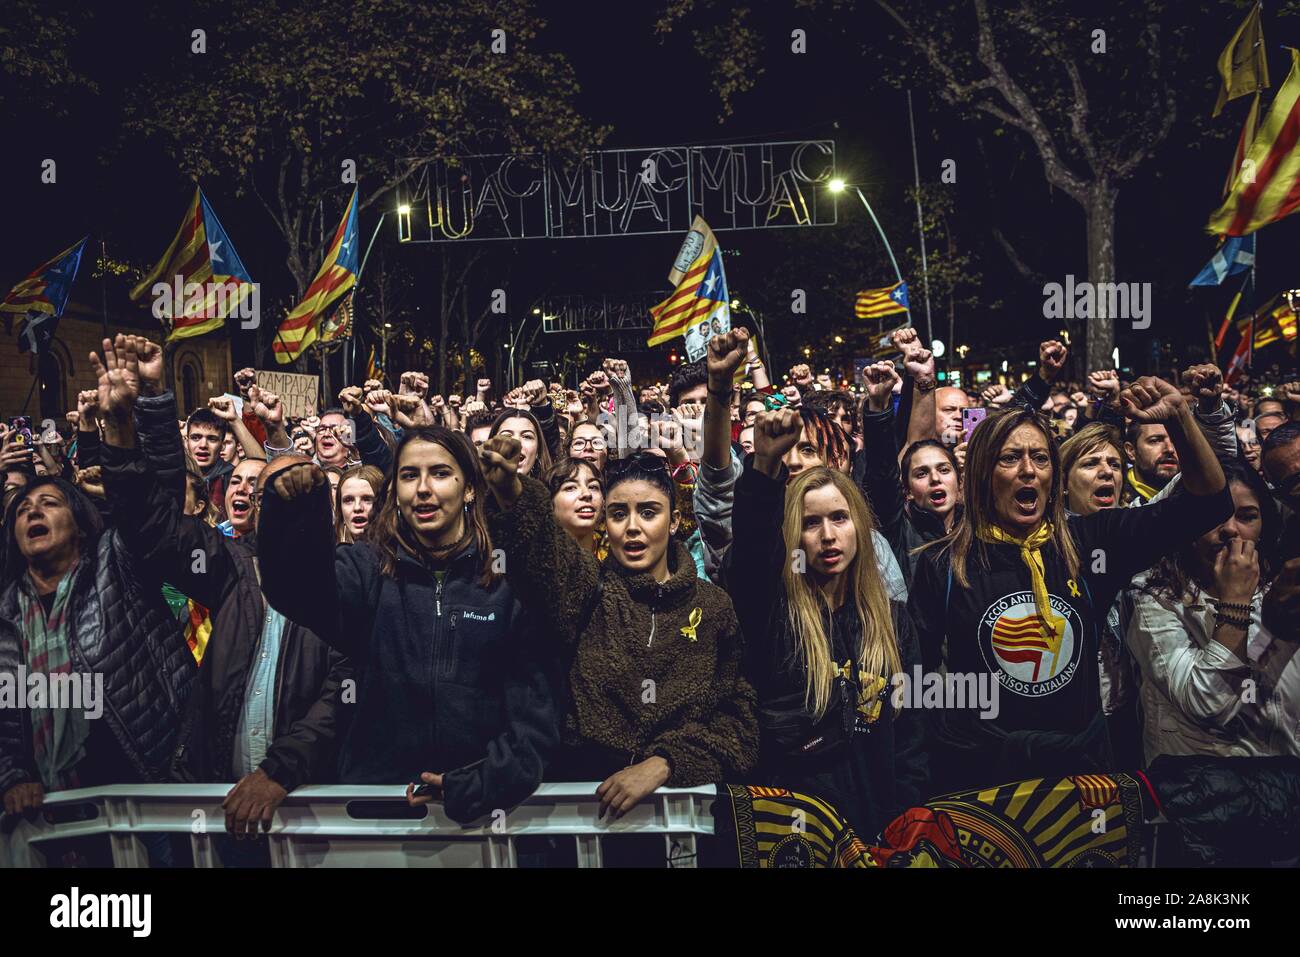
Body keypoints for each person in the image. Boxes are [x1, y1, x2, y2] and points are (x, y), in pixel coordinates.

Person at [907, 378, 1232, 795]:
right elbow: (917, 680)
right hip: (985, 777)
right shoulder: (943, 565)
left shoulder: (1092, 542)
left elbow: (1210, 503)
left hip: (1081, 776)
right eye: (1010, 458)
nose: (1028, 470)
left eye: (1041, 458)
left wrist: (1181, 418)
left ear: (1053, 476)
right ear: (983, 474)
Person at [96, 335, 348, 860]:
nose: (282, 503)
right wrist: (129, 421)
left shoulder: (354, 580)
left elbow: (344, 694)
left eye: (299, 491)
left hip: (316, 814)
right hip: (217, 808)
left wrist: (281, 770)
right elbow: (153, 527)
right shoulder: (233, 565)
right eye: (266, 495)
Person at [257, 426, 557, 825]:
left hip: (479, 823)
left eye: (440, 473)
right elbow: (297, 592)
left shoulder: (507, 580)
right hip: (375, 817)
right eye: (409, 475)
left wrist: (475, 784)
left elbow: (535, 723)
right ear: (395, 490)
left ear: (469, 488)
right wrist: (296, 509)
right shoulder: (366, 568)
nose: (423, 489)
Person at [481, 434, 758, 821]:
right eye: (618, 513)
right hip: (585, 815)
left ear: (675, 520)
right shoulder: (584, 588)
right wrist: (511, 490)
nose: (631, 527)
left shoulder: (712, 607)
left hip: (685, 820)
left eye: (648, 512)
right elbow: (541, 552)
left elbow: (738, 723)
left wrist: (665, 763)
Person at [727, 408, 927, 839]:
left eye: (839, 518)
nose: (829, 536)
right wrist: (763, 467)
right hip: (796, 835)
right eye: (811, 523)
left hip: (881, 831)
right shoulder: (773, 612)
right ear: (793, 536)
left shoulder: (892, 621)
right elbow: (749, 556)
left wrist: (906, 826)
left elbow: (911, 740)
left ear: (858, 525)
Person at [1125, 461, 1295, 761]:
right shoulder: (1155, 597)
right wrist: (1235, 602)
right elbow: (1208, 705)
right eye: (1213, 517)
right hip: (1203, 793)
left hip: (1284, 784)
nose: (1230, 529)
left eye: (1247, 517)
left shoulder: (1281, 588)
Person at [1059, 423, 1125, 515]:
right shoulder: (1050, 529)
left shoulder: (1138, 525)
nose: (1108, 471)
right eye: (1090, 464)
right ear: (1063, 482)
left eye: (1114, 465)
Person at [545, 457, 604, 556]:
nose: (587, 494)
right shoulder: (537, 559)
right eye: (571, 488)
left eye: (593, 487)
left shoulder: (619, 555)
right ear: (550, 503)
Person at [489, 408, 553, 479]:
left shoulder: (555, 488)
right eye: (507, 436)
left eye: (527, 436)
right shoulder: (477, 489)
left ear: (538, 450)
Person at [335, 464, 384, 543]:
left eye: (367, 499)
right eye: (348, 500)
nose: (357, 507)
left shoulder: (400, 551)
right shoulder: (328, 552)